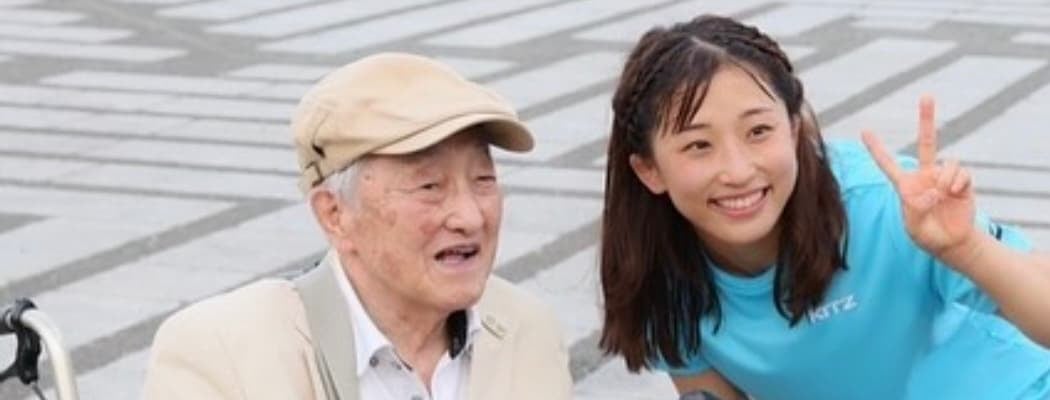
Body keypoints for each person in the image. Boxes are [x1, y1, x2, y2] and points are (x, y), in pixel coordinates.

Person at [598, 14, 1050, 400]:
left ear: (793, 129)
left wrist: (966, 249)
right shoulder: (654, 274)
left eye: (758, 131)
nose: (737, 171)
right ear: (649, 169)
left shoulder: (884, 202)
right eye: (699, 145)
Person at [142, 53, 573, 400]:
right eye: (429, 186)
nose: (470, 217)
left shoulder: (527, 331)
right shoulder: (224, 353)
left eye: (483, 179)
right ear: (334, 214)